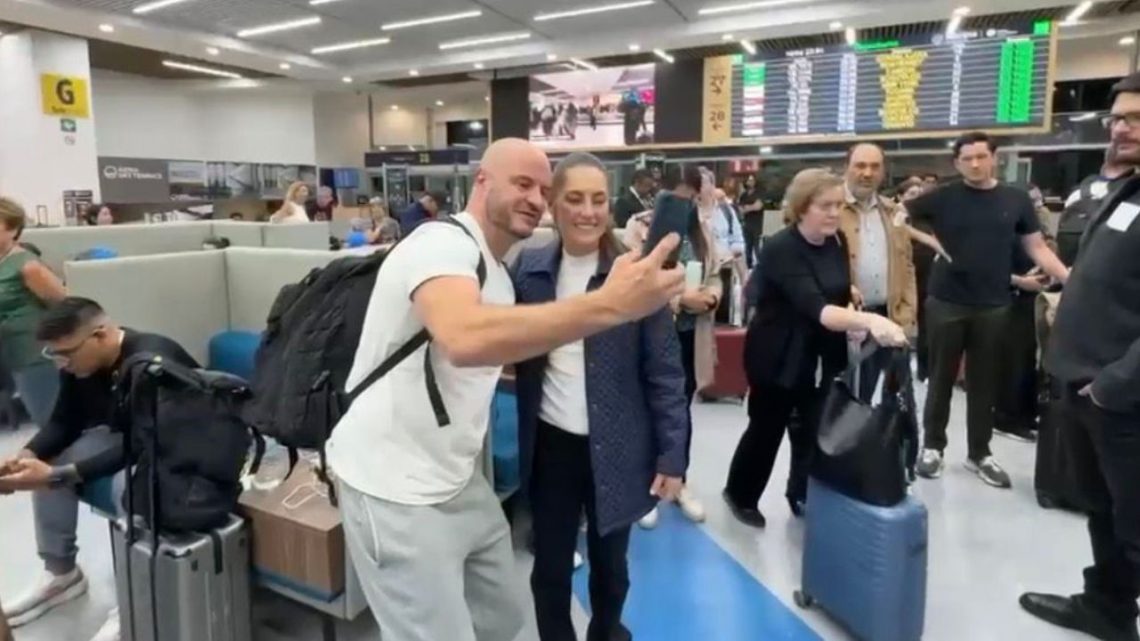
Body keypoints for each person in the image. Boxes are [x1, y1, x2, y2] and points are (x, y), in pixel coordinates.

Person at [324, 138, 685, 641]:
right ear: (482, 181)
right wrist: (611, 306)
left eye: (542, 187)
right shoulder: (444, 245)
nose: (536, 198)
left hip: (471, 473)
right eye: (524, 184)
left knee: (508, 614)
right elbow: (465, 339)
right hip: (397, 482)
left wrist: (671, 454)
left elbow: (659, 372)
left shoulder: (502, 271)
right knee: (527, 582)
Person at [513, 152, 690, 641]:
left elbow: (665, 374)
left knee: (611, 567)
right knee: (548, 567)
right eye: (574, 199)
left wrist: (672, 455)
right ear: (553, 203)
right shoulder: (529, 269)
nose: (587, 212)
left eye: (597, 200)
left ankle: (607, 633)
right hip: (551, 447)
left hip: (618, 446)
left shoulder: (634, 275)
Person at [1019, 72, 1140, 641]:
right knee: (1103, 510)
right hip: (1089, 385)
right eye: (1118, 117)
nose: (1122, 127)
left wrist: (1116, 383)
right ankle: (1107, 607)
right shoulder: (1126, 189)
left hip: (1122, 395)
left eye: (1136, 118)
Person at [0, 297, 199, 641]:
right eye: (54, 355)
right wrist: (25, 455)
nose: (61, 365)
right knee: (50, 458)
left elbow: (144, 444)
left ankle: (134, 601)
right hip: (132, 435)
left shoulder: (152, 361)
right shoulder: (79, 366)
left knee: (129, 487)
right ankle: (61, 574)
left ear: (100, 335)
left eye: (67, 353)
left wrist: (59, 477)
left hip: (184, 442)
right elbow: (64, 421)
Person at [723, 168, 907, 527]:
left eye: (838, 205)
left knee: (814, 427)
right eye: (825, 206)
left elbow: (836, 289)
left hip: (822, 354)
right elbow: (817, 308)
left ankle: (801, 492)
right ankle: (741, 494)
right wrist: (871, 322)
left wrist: (850, 297)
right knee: (767, 429)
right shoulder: (781, 248)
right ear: (802, 207)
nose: (835, 213)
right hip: (778, 353)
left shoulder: (836, 240)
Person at [905, 132, 1069, 489]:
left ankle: (979, 452)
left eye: (981, 156)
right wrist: (929, 242)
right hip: (946, 300)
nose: (975, 164)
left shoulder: (1015, 199)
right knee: (940, 378)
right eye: (967, 158)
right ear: (957, 162)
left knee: (984, 382)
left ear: (994, 157)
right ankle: (933, 447)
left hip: (994, 303)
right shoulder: (942, 197)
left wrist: (1069, 279)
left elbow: (1037, 247)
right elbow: (898, 216)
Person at [637, 165, 720, 530]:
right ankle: (645, 488)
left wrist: (711, 298)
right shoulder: (640, 228)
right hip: (655, 332)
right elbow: (637, 281)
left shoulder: (701, 231)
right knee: (647, 408)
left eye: (692, 195)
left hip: (690, 334)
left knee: (680, 409)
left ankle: (679, 479)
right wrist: (680, 299)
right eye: (680, 194)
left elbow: (716, 272)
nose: (686, 202)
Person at [839, 144, 917, 402]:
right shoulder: (830, 209)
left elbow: (906, 267)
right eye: (860, 166)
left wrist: (907, 316)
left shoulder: (893, 212)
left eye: (875, 167)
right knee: (846, 402)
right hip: (847, 321)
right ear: (846, 168)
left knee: (895, 403)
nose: (867, 173)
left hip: (890, 319)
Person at [0, 198, 67, 431]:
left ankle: (61, 466)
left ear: (13, 229)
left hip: (33, 353)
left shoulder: (27, 266)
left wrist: (63, 349)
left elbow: (64, 306)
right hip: (8, 353)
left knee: (49, 419)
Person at [711, 187, 746, 324]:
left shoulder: (728, 212)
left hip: (725, 269)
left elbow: (737, 239)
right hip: (704, 270)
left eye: (723, 198)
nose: (721, 202)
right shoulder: (695, 212)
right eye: (718, 199)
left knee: (723, 316)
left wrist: (731, 252)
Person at [739, 174, 764, 269]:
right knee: (747, 247)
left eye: (752, 180)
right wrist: (751, 207)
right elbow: (740, 210)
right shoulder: (744, 195)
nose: (750, 182)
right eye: (749, 180)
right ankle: (748, 266)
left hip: (758, 223)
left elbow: (758, 206)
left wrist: (747, 208)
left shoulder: (759, 193)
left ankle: (760, 267)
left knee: (758, 246)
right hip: (747, 223)